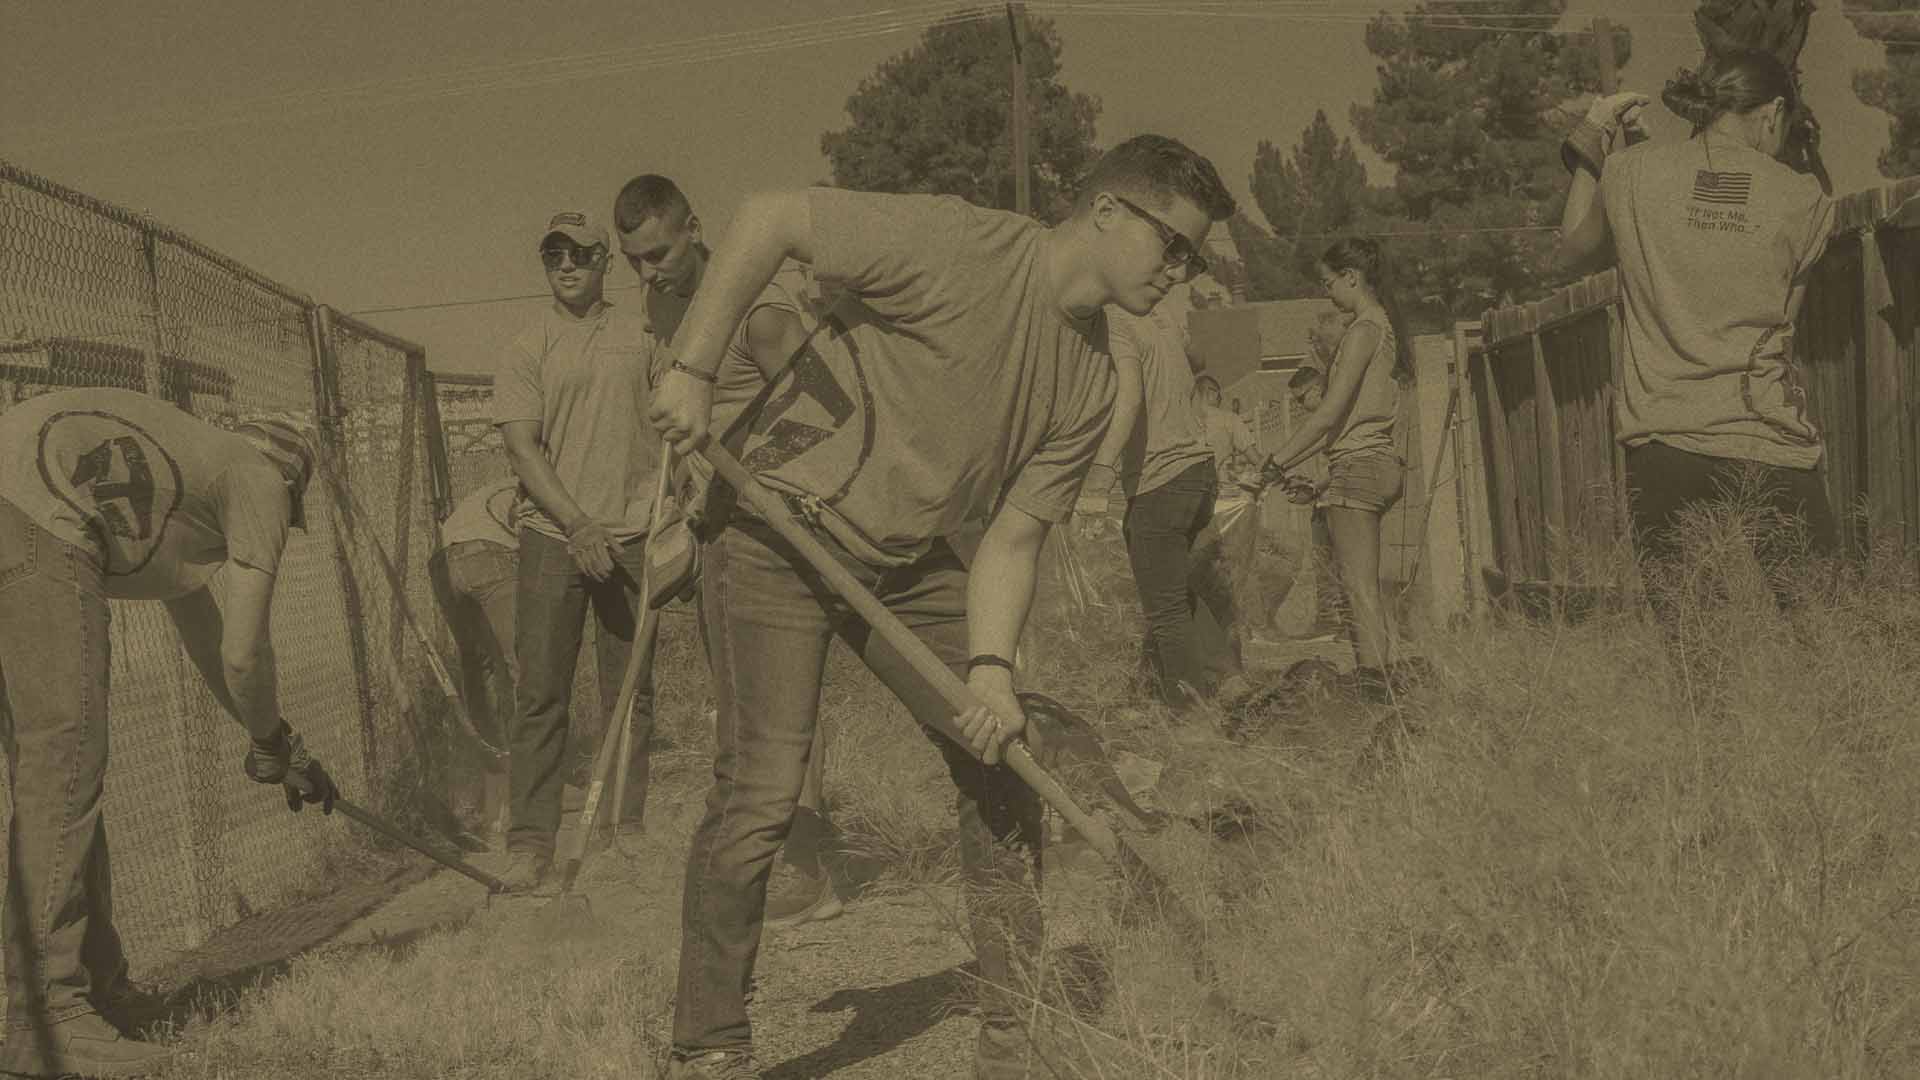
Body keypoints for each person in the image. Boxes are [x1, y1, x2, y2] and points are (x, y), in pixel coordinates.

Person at [646, 134, 1236, 1079]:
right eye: (1177, 248)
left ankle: (1013, 1034)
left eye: (1195, 258)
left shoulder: (1094, 377)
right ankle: (706, 1042)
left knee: (999, 750)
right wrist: (694, 367)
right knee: (760, 790)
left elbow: (1010, 538)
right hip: (773, 529)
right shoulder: (960, 245)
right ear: (1110, 213)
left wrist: (993, 674)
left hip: (907, 557)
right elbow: (768, 216)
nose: (1184, 273)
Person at [0, 390, 338, 1078]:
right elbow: (246, 653)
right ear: (294, 478)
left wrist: (276, 740)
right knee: (65, 766)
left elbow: (211, 642)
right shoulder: (260, 479)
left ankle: (97, 995)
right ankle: (48, 1020)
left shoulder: (188, 473)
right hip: (39, 521)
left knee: (53, 778)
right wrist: (273, 744)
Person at [612, 173, 843, 929]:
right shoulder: (665, 306)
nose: (648, 274)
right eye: (634, 262)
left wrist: (743, 475)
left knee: (774, 704)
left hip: (770, 525)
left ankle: (807, 871)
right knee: (743, 705)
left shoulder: (760, 308)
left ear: (695, 227)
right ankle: (774, 858)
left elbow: (828, 406)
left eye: (659, 254)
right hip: (717, 527)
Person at [1554, 50, 1838, 588]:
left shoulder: (1631, 174)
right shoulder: (1805, 199)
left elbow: (1572, 250)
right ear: (1773, 110)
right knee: (1822, 638)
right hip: (1766, 445)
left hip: (1664, 451)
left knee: (1695, 654)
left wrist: (1593, 137)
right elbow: (1784, 334)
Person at [493, 211, 665, 892]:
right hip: (553, 537)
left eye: (580, 254)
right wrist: (577, 524)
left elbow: (672, 422)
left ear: (605, 261)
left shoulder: (644, 335)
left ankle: (626, 827)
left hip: (632, 535)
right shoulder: (526, 345)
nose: (566, 265)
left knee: (631, 690)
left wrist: (660, 509)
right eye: (552, 254)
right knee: (540, 691)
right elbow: (521, 446)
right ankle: (532, 838)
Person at [1261, 238, 1411, 703]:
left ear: (1352, 276)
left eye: (1329, 283)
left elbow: (1329, 412)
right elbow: (1359, 420)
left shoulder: (1365, 330)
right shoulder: (1383, 329)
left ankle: (1377, 695)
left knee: (1358, 592)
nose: (1328, 294)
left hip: (1359, 467)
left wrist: (1276, 461)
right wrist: (1322, 479)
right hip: (1372, 464)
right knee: (1366, 590)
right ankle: (1384, 685)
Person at [1087, 297, 1244, 710]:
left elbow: (1129, 398)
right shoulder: (1161, 314)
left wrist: (1100, 474)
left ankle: (1190, 716)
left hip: (1160, 477)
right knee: (1182, 590)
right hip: (1198, 470)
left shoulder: (1117, 320)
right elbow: (1196, 358)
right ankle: (1229, 681)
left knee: (1165, 611)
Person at [426, 475, 521, 845]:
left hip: (442, 562)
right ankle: (524, 792)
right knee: (520, 670)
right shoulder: (537, 484)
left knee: (478, 672)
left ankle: (493, 799)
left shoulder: (492, 489)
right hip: (489, 555)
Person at [1192, 373, 1265, 663]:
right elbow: (1256, 458)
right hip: (1227, 504)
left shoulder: (1180, 418)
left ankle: (1202, 639)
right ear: (1214, 393)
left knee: (1196, 571)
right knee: (1232, 573)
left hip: (1192, 504)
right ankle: (1234, 640)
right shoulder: (1229, 420)